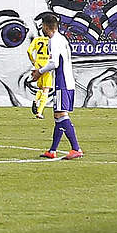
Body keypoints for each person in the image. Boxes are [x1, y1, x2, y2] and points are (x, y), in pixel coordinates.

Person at [30, 14, 83, 160]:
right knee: (57, 116)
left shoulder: (53, 41)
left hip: (62, 82)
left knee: (61, 115)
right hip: (66, 80)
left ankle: (76, 148)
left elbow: (55, 64)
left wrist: (39, 72)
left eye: (42, 25)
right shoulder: (62, 39)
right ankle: (52, 150)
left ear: (46, 26)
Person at [27, 32, 52, 119]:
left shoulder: (37, 39)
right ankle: (39, 112)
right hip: (47, 65)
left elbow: (29, 51)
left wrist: (33, 62)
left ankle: (35, 100)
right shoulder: (50, 40)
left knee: (41, 88)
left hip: (38, 65)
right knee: (46, 90)